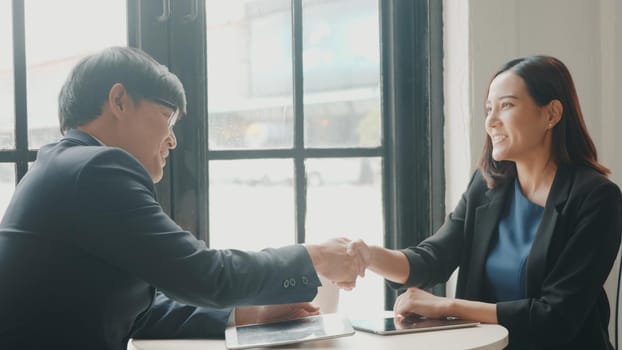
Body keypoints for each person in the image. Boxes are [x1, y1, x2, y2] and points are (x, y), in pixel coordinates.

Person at [0, 46, 365, 350]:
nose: (173, 140)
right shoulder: (95, 167)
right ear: (119, 100)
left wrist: (247, 315)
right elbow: (206, 275)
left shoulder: (64, 165)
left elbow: (140, 312)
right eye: (166, 117)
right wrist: (314, 257)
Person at [350, 55, 622, 349]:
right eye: (488, 108)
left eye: (506, 105)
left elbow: (555, 317)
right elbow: (432, 259)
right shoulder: (487, 185)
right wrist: (368, 256)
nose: (491, 121)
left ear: (552, 114)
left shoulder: (597, 199)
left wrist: (448, 306)